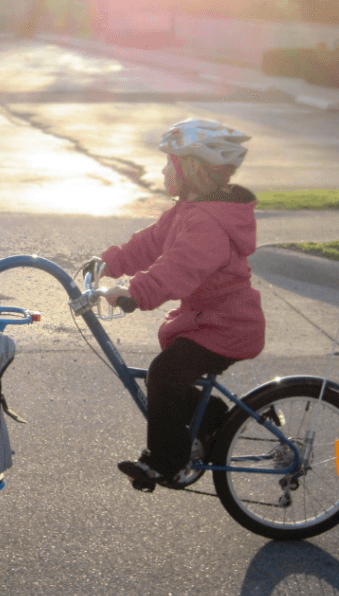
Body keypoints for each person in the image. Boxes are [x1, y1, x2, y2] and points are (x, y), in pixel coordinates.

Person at [97, 118, 266, 491]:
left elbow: (179, 269)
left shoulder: (209, 223)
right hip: (206, 322)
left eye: (168, 163)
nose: (161, 171)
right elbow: (150, 243)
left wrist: (135, 292)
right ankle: (218, 419)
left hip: (227, 327)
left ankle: (165, 463)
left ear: (191, 169)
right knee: (174, 376)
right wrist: (109, 263)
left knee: (165, 375)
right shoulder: (186, 212)